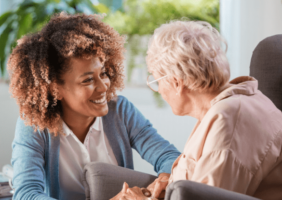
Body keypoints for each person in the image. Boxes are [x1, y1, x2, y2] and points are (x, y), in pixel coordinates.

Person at [8, 13, 181, 200]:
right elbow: (26, 194)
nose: (103, 86)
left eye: (104, 73)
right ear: (55, 88)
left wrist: (161, 183)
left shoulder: (121, 111)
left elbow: (169, 157)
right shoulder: (34, 125)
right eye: (88, 80)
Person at [111, 20, 282, 200]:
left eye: (156, 80)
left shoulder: (227, 121)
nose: (159, 90)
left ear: (176, 82)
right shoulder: (234, 104)